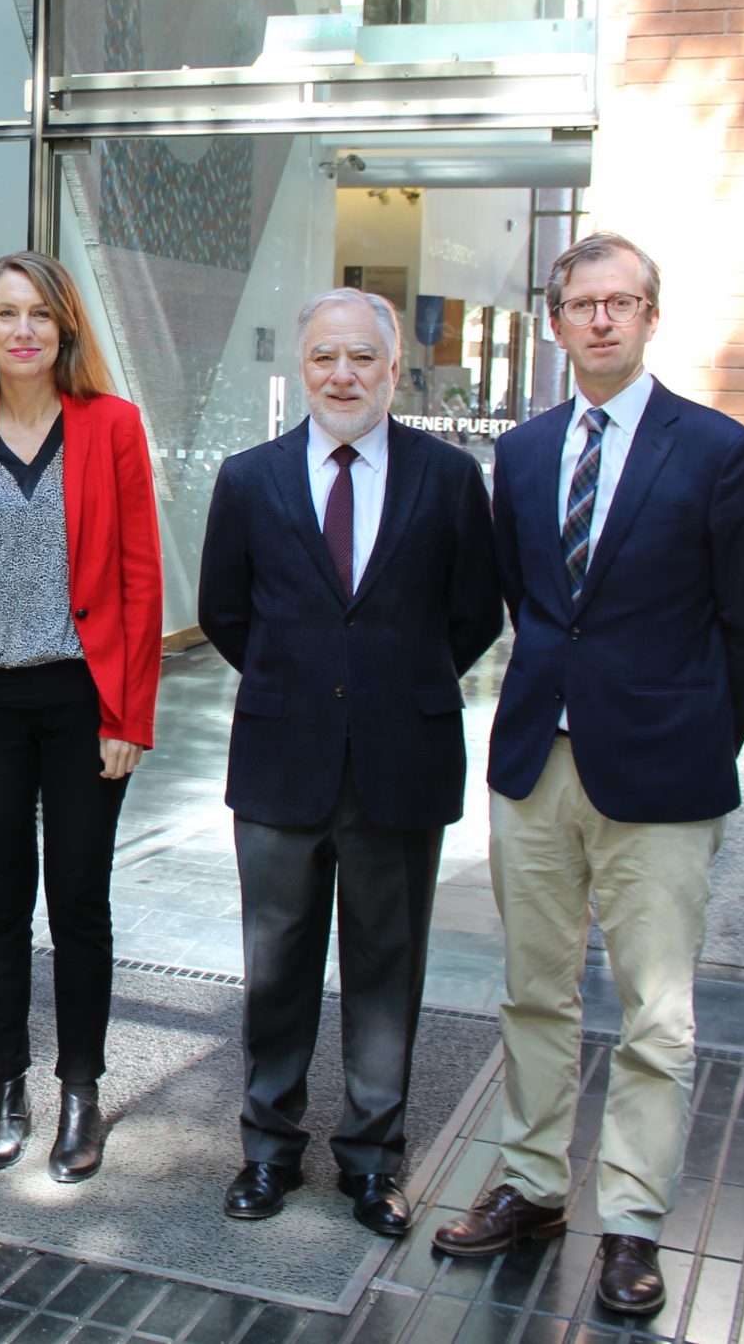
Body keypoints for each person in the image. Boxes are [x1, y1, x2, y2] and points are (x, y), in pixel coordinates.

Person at [432, 233, 744, 1318]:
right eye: (581, 304)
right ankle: (534, 1186)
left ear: (647, 318)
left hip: (663, 780)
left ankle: (631, 1223)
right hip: (536, 764)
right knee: (533, 992)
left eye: (620, 302)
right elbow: (520, 604)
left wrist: (695, 736)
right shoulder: (528, 454)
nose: (600, 320)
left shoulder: (720, 451)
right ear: (554, 322)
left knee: (654, 1016)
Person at [198, 288, 504, 1236]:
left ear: (393, 367)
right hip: (283, 758)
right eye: (326, 356)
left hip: (399, 760)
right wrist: (309, 683)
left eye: (362, 358)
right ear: (303, 366)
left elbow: (474, 615)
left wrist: (385, 686)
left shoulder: (449, 479)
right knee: (276, 965)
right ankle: (268, 1151)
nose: (343, 375)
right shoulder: (249, 479)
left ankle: (374, 1162)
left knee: (386, 968)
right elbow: (225, 611)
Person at [0, 251, 163, 1184]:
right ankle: (6, 1082)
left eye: (39, 314)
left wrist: (128, 717)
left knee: (79, 901)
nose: (22, 330)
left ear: (65, 327)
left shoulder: (111, 427)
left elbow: (142, 581)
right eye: (5, 314)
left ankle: (81, 1090)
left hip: (80, 700)